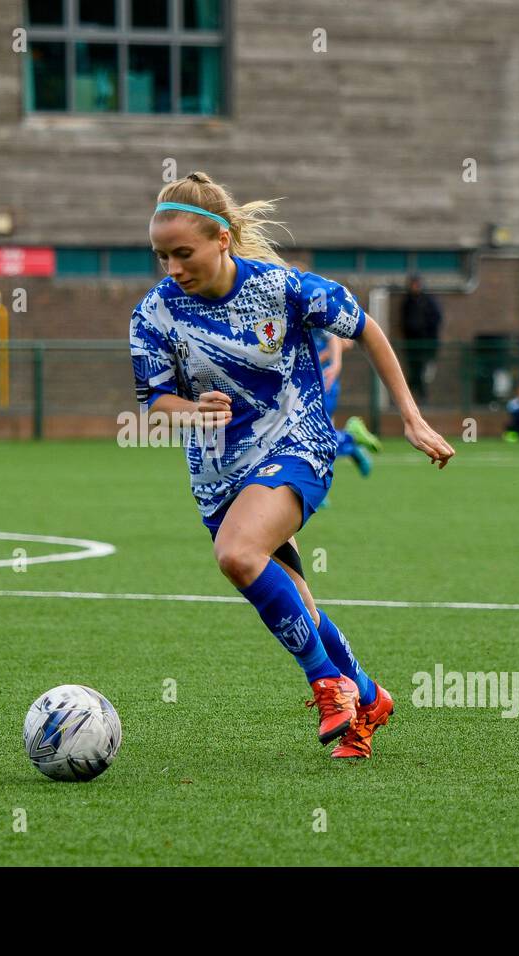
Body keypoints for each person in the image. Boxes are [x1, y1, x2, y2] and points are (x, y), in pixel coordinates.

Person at [131, 171, 454, 759]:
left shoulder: (283, 288)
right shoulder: (154, 313)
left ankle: (328, 687)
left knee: (236, 554)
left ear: (221, 239)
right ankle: (367, 697)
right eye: (161, 256)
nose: (172, 267)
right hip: (218, 474)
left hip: (295, 443)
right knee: (296, 602)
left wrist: (410, 417)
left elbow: (369, 330)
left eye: (184, 253)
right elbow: (154, 399)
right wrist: (191, 408)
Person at [310, 327, 377, 483]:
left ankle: (350, 438)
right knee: (311, 435)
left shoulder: (316, 306)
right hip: (308, 381)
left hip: (323, 380)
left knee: (316, 434)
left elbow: (346, 342)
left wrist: (318, 359)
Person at [399, 273, 442, 401]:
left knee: (421, 370)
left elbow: (436, 319)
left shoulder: (428, 301)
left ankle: (418, 395)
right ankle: (414, 395)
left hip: (425, 343)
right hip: (411, 343)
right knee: (414, 369)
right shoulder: (408, 302)